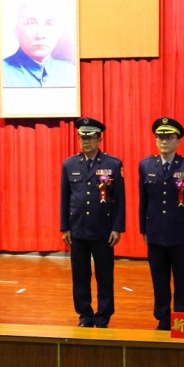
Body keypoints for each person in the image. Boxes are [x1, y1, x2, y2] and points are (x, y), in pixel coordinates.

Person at [60, 117, 125, 328]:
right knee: (80, 275)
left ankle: (103, 315)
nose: (85, 141)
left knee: (104, 275)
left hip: (103, 230)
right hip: (77, 228)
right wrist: (65, 227)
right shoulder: (69, 164)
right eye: (82, 137)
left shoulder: (112, 164)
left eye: (90, 137)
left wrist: (117, 228)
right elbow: (64, 198)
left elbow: (120, 200)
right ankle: (85, 315)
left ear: (99, 139)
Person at [139, 117, 184, 330]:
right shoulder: (146, 165)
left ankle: (182, 319)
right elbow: (143, 200)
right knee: (159, 277)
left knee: (182, 278)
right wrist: (143, 229)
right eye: (160, 137)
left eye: (169, 137)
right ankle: (163, 318)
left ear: (178, 141)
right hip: (155, 231)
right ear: (155, 140)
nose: (164, 141)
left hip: (181, 232)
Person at [1, 0, 76, 88]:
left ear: (60, 32)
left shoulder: (71, 73)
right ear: (16, 30)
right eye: (31, 23)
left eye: (49, 24)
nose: (40, 35)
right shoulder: (0, 73)